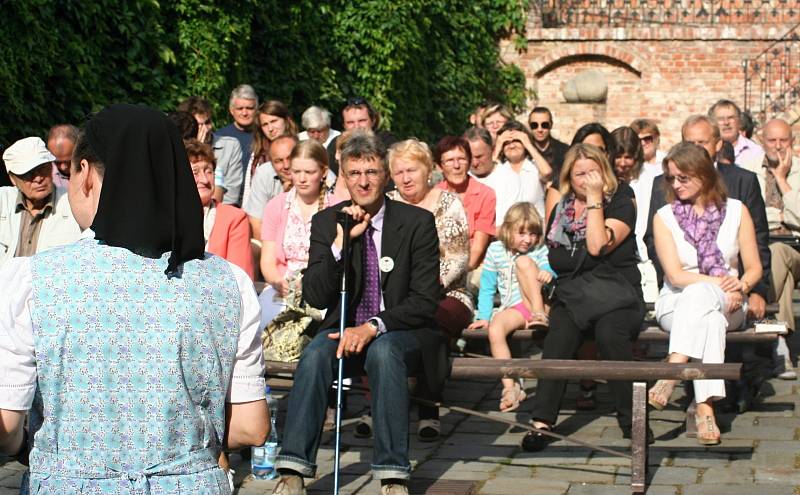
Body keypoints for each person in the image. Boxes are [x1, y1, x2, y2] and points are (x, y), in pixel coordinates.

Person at [0, 103, 268, 492]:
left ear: (86, 175)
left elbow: (6, 430)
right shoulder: (230, 282)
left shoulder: (33, 281)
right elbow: (251, 427)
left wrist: (37, 446)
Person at [272, 132, 444, 495]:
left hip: (401, 331)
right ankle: (292, 470)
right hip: (341, 331)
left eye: (371, 171)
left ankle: (392, 473)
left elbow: (425, 300)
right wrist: (340, 243)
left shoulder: (417, 223)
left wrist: (373, 326)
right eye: (354, 173)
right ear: (342, 177)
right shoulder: (327, 222)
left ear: (386, 175)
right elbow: (317, 296)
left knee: (383, 351)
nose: (363, 181)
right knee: (316, 354)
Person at [644, 114, 773, 413]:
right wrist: (727, 284)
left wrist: (744, 285)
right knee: (706, 310)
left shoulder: (737, 211)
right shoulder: (664, 216)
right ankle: (705, 407)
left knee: (706, 304)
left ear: (704, 174)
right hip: (678, 301)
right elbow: (675, 276)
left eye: (683, 178)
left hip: (731, 303)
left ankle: (673, 369)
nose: (676, 185)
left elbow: (754, 266)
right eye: (671, 178)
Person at [523, 143, 645, 451]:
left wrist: (594, 200)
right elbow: (556, 258)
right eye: (580, 173)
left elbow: (596, 246)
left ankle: (632, 421)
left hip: (617, 295)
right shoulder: (562, 207)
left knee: (610, 333)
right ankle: (542, 422)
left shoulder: (620, 200)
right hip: (576, 296)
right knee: (559, 334)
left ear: (604, 171)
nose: (587, 178)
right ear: (568, 177)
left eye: (593, 171)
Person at [386, 138, 473, 440]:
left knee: (429, 321)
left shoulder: (448, 204)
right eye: (399, 172)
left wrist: (420, 291)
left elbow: (457, 258)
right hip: (395, 294)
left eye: (412, 170)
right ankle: (376, 407)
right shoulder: (388, 204)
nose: (406, 178)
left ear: (427, 171)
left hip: (446, 294)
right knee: (375, 318)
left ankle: (427, 407)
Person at [468, 203, 555, 411]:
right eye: (522, 233)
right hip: (515, 309)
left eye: (533, 234)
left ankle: (540, 315)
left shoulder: (539, 250)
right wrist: (484, 316)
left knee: (524, 262)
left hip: (538, 303)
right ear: (508, 230)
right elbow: (488, 288)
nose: (528, 239)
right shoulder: (495, 250)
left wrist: (548, 273)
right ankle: (510, 386)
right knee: (496, 328)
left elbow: (549, 268)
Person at [741, 118, 799, 379]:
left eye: (783, 140)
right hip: (762, 249)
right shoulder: (748, 169)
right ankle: (780, 344)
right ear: (761, 143)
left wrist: (781, 179)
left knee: (776, 254)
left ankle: (772, 340)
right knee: (776, 262)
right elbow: (749, 217)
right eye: (772, 140)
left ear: (793, 141)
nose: (777, 146)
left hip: (796, 249)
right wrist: (783, 214)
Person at [258, 139, 335, 329]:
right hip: (283, 287)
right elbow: (267, 260)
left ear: (323, 172)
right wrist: (277, 281)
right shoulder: (276, 206)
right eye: (296, 172)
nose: (301, 179)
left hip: (322, 289)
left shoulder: (336, 208)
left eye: (309, 172)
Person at [1, 137, 82, 268]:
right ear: (13, 178)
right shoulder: (3, 201)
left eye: (43, 168)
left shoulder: (73, 203)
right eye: (28, 173)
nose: (38, 178)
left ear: (51, 167)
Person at [185, 139, 254, 279]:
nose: (204, 179)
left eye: (209, 171)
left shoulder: (234, 218)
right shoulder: (165, 216)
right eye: (195, 172)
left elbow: (240, 277)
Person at [609, 126, 658, 302]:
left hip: (647, 253)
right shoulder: (607, 180)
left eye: (628, 157)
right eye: (618, 157)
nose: (622, 163)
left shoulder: (652, 177)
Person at [435, 136, 496, 270]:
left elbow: (478, 248)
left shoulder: (485, 194)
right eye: (450, 160)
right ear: (440, 166)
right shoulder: (433, 195)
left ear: (469, 162)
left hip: (473, 267)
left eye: (461, 159)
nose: (456, 166)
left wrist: (457, 274)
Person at [178, 96, 245, 206]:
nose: (206, 128)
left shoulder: (230, 145)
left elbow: (232, 195)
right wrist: (196, 146)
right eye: (199, 124)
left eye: (208, 122)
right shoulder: (179, 148)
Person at [545, 123, 613, 222]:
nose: (592, 155)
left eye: (598, 150)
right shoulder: (559, 190)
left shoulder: (619, 193)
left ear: (608, 154)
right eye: (586, 149)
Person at [491, 121, 552, 222]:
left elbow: (547, 173)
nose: (511, 146)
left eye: (516, 141)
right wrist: (498, 144)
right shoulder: (498, 168)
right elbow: (486, 180)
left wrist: (528, 143)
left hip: (534, 229)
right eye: (507, 143)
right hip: (505, 230)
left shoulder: (535, 166)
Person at [244, 135, 298, 241]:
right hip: (272, 242)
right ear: (271, 163)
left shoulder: (315, 172)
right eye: (279, 161)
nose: (286, 165)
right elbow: (256, 224)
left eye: (290, 158)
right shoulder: (264, 173)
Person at [326, 97, 397, 175]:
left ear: (373, 120)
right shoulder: (336, 145)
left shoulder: (386, 141)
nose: (357, 126)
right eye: (350, 122)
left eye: (362, 121)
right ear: (344, 125)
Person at [708, 99, 765, 171]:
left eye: (731, 118)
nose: (726, 123)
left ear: (739, 121)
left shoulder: (755, 151)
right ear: (712, 123)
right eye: (721, 119)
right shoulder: (707, 150)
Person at [216, 84, 259, 172]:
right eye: (240, 108)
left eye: (249, 108)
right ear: (231, 110)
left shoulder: (264, 134)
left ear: (256, 109)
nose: (245, 113)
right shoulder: (219, 137)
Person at [528, 106, 569, 177]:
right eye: (534, 125)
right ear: (529, 126)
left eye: (545, 125)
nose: (539, 129)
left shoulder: (564, 151)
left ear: (551, 125)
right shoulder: (524, 151)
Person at [46, 124, 78, 189]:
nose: (63, 167)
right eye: (57, 162)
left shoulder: (96, 169)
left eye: (69, 161)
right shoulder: (46, 176)